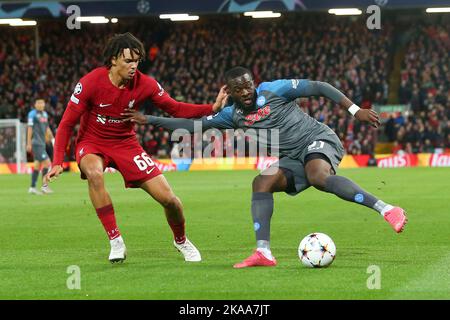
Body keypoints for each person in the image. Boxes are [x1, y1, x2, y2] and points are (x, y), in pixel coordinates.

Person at [122, 66, 408, 268]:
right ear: (230, 92)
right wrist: (150, 120)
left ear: (253, 82)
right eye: (238, 89)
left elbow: (319, 87)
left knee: (318, 176)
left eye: (248, 85)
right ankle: (263, 252)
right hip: (293, 157)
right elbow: (192, 125)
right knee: (261, 183)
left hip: (317, 140)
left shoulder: (274, 90)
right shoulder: (231, 115)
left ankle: (386, 209)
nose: (245, 91)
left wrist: (354, 110)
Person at [44, 32, 227, 264]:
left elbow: (176, 108)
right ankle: (115, 240)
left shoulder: (146, 84)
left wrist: (211, 107)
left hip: (126, 144)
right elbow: (67, 123)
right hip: (92, 142)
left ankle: (181, 240)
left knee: (170, 200)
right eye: (128, 61)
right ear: (113, 60)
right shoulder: (90, 82)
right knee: (94, 173)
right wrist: (57, 161)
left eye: (137, 61)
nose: (134, 66)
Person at [27, 98, 54, 195]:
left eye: (42, 102)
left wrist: (51, 138)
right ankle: (44, 187)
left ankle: (32, 187)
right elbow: (29, 129)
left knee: (37, 166)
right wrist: (28, 143)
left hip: (42, 143)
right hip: (36, 143)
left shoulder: (45, 114)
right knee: (47, 163)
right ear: (35, 104)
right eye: (38, 102)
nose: (40, 104)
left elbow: (47, 127)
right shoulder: (32, 114)